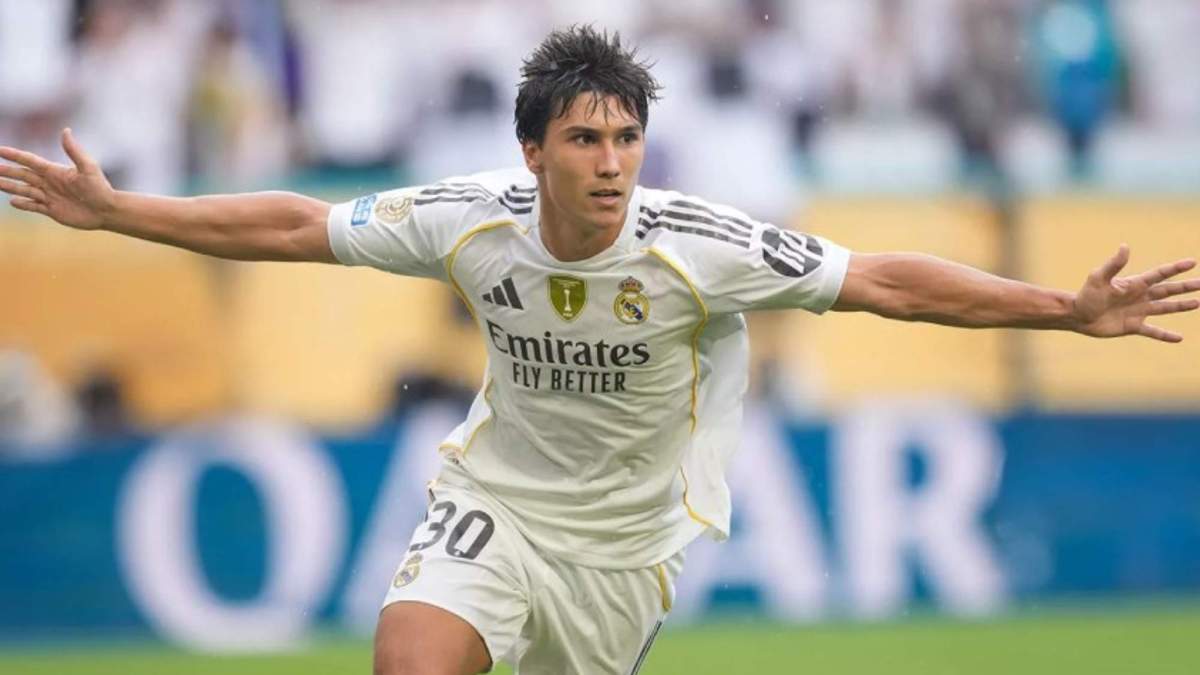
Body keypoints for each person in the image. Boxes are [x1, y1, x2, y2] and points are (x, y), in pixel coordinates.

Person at [1, 25, 1197, 675]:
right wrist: (126, 213)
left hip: (625, 552)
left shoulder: (695, 243)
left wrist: (1060, 309)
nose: (615, 161)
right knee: (411, 660)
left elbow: (882, 280)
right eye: (587, 138)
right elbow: (295, 225)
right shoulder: (470, 218)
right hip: (494, 509)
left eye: (627, 136)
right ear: (534, 152)